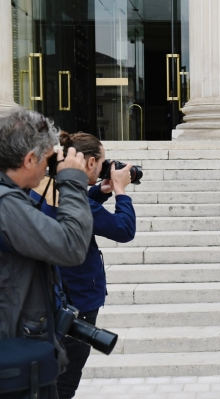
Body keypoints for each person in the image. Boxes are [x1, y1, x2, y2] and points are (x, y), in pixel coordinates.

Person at [30, 132, 136, 399]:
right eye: (101, 164)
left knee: (53, 377)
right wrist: (121, 191)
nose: (103, 169)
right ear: (89, 164)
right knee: (65, 381)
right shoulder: (77, 201)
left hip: (51, 296)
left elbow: (79, 209)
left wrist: (99, 191)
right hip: (78, 301)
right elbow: (123, 229)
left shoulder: (49, 190)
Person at [0, 109, 93, 399]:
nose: (49, 167)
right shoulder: (6, 205)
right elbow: (71, 245)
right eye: (48, 158)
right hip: (14, 357)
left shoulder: (13, 199)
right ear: (29, 159)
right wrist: (74, 182)